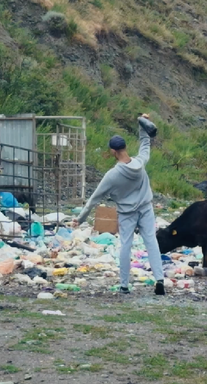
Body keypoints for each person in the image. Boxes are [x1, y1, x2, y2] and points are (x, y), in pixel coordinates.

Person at [73, 114, 164, 295]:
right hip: (146, 208)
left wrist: (80, 219)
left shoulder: (112, 175)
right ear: (125, 148)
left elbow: (94, 199)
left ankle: (124, 286)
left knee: (126, 246)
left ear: (113, 152)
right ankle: (160, 280)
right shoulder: (140, 162)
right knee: (151, 242)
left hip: (127, 214)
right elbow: (145, 143)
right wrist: (142, 124)